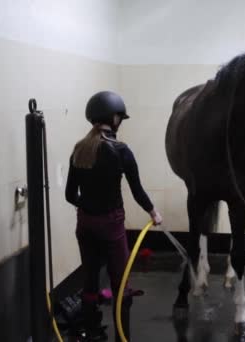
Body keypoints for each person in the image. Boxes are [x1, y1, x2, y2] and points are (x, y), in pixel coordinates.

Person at [65, 91, 163, 341]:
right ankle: (123, 336)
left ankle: (91, 333)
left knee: (89, 279)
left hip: (85, 224)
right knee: (121, 284)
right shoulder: (121, 150)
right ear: (114, 118)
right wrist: (153, 212)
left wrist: (85, 207)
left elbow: (69, 195)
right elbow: (137, 190)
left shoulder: (78, 149)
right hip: (111, 225)